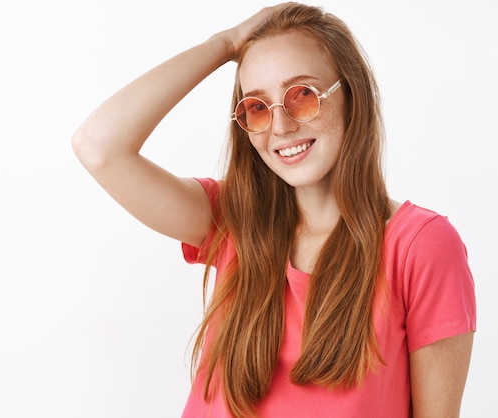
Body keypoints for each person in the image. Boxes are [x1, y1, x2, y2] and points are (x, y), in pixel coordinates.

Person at [71, 2, 476, 417]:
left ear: (351, 94)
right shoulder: (232, 220)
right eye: (257, 107)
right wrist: (224, 44)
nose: (281, 127)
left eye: (302, 95)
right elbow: (98, 146)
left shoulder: (421, 246)